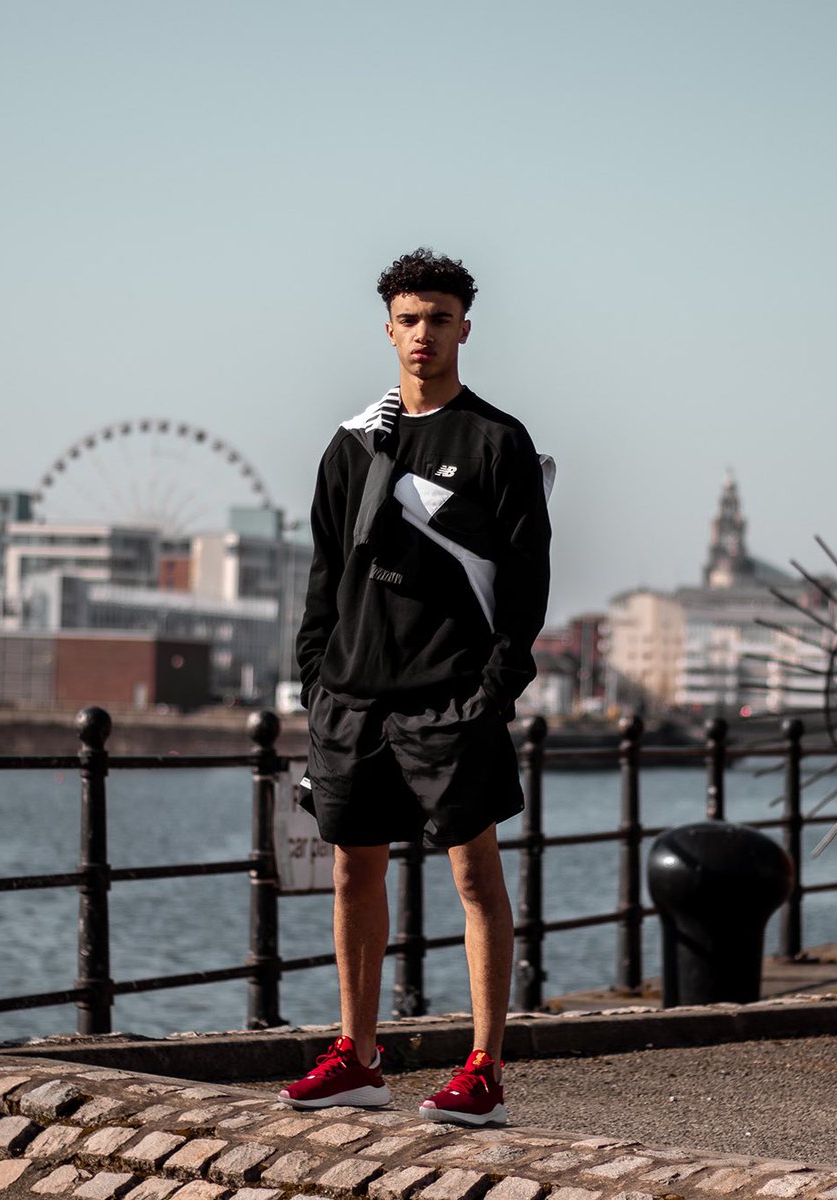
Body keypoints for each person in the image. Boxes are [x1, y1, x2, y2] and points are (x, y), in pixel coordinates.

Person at [279, 248, 552, 1126]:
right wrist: (318, 678)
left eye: (438, 317)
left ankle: (484, 1069)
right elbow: (325, 572)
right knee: (353, 869)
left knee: (474, 873)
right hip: (352, 696)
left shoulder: (498, 441)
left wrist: (492, 690)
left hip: (451, 698)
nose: (422, 333)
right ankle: (357, 1059)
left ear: (465, 327)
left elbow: (526, 584)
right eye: (408, 318)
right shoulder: (353, 441)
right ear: (387, 329)